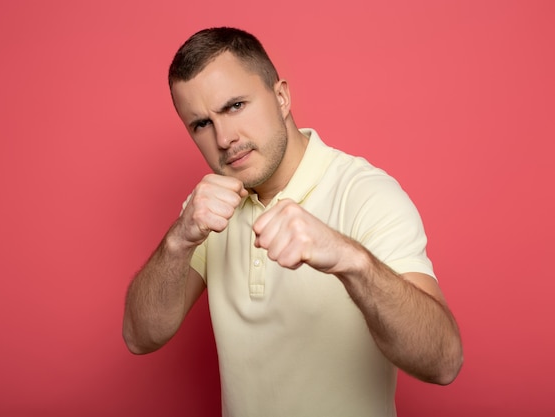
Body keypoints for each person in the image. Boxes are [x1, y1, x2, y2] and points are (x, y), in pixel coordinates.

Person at [123, 27, 463, 417]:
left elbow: (444, 362)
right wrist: (178, 239)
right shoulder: (208, 208)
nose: (224, 137)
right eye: (201, 124)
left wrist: (351, 260)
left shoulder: (365, 194)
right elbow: (140, 337)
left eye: (235, 106)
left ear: (281, 96)